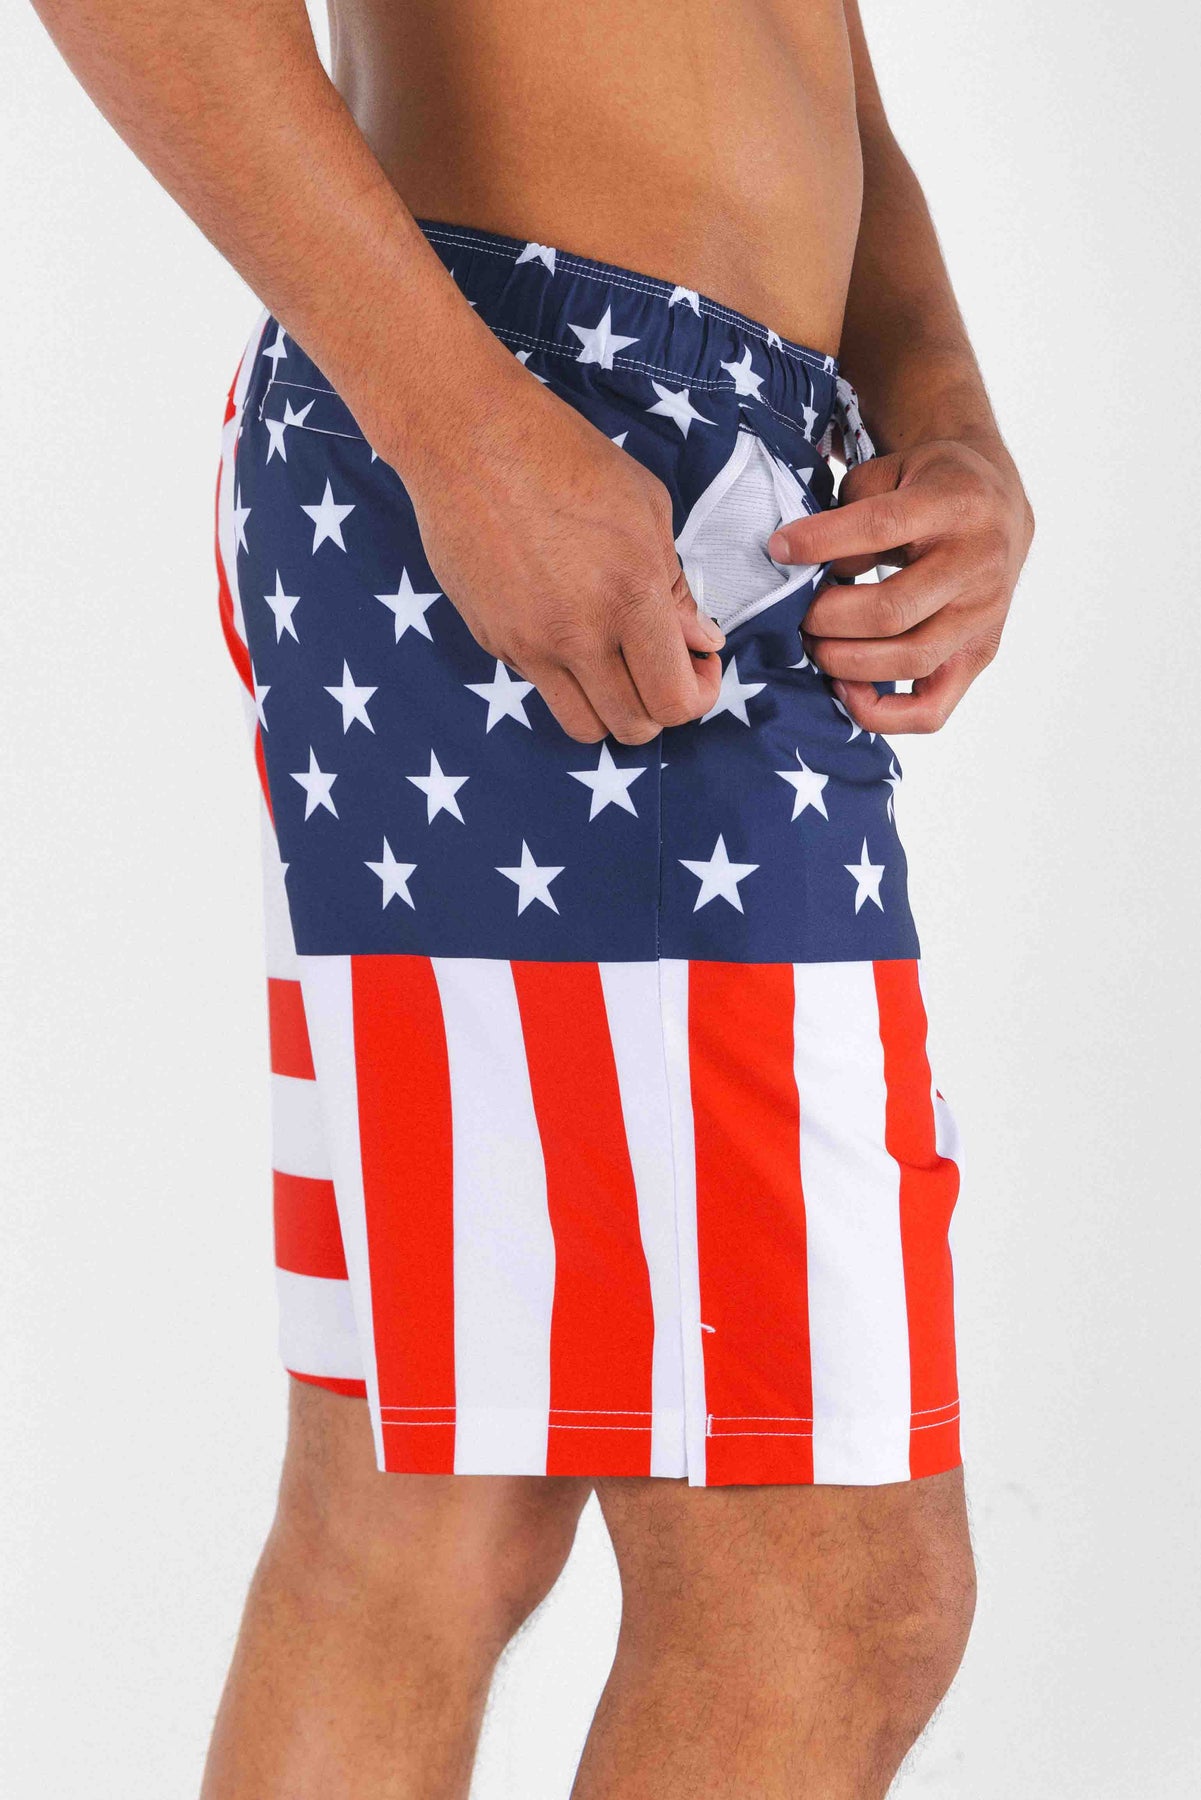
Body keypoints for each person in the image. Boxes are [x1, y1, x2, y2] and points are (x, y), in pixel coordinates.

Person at [30, 0, 1034, 1794]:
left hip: (679, 442)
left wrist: (938, 404)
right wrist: (456, 419)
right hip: (538, 404)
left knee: (433, 1512)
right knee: (833, 1593)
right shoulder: (488, 415)